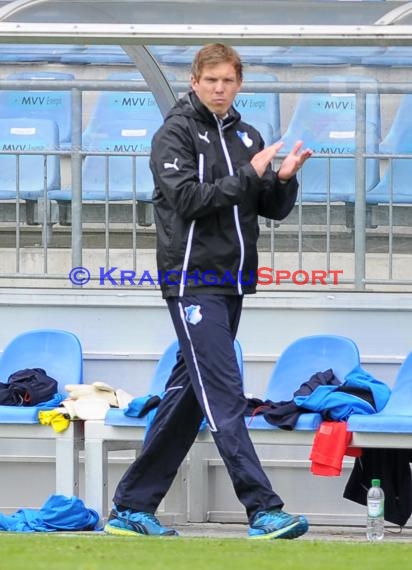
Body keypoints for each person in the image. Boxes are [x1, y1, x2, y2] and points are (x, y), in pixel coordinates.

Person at [105, 43, 313, 540]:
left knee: (188, 396)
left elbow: (267, 206)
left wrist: (282, 181)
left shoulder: (247, 134)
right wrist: (249, 174)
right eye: (211, 80)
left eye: (228, 80)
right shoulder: (174, 133)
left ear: (239, 83)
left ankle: (132, 506)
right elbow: (189, 200)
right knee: (222, 391)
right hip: (191, 280)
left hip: (233, 281)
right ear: (194, 81)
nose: (220, 88)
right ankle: (263, 508)